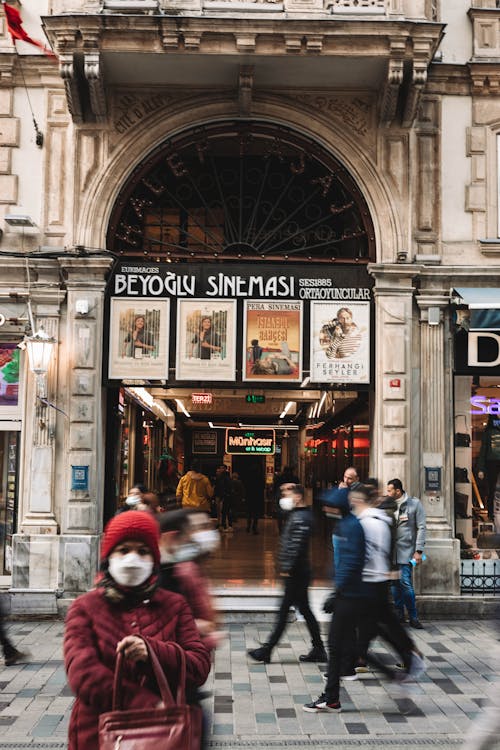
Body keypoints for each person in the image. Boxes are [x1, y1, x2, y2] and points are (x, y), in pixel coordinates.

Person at [63, 510, 211, 750]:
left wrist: (153, 651)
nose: (133, 558)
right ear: (109, 556)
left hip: (163, 737)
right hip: (98, 735)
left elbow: (198, 666)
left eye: (143, 551)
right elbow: (83, 674)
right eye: (124, 550)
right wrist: (147, 705)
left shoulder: (174, 605)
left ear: (154, 559)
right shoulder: (85, 608)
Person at [349, 483, 426, 682]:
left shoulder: (378, 517)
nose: (387, 493)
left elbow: (419, 528)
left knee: (377, 622)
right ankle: (407, 654)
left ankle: (403, 656)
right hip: (380, 576)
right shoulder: (377, 516)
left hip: (384, 572)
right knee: (377, 623)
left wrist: (418, 552)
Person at [303, 484, 365, 713]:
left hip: (348, 596)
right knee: (340, 644)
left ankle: (331, 697)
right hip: (348, 594)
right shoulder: (344, 525)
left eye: (329, 505)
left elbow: (350, 564)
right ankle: (332, 696)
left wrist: (337, 594)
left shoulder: (349, 527)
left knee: (336, 645)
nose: (326, 508)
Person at [248, 484, 327, 665]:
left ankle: (267, 650)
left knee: (284, 612)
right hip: (298, 571)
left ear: (298, 497)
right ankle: (318, 648)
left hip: (296, 572)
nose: (284, 497)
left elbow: (296, 546)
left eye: (287, 494)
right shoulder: (298, 514)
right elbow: (279, 512)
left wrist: (286, 568)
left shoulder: (301, 518)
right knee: (305, 610)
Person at [387, 478, 426, 629]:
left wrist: (419, 551)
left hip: (408, 552)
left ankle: (413, 616)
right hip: (392, 554)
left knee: (405, 583)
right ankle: (399, 614)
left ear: (398, 491)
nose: (387, 493)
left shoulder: (414, 504)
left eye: (390, 490)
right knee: (395, 585)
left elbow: (422, 527)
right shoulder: (388, 505)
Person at [477, 415, 500, 521]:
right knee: (491, 489)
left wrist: (481, 468)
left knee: (491, 489)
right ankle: (491, 514)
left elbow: (483, 451)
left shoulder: (487, 433)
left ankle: (491, 514)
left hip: (491, 463)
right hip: (491, 463)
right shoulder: (489, 433)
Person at [214, 465, 233, 532]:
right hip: (223, 496)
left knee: (224, 511)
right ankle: (223, 525)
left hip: (223, 497)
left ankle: (225, 525)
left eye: (222, 468)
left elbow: (222, 487)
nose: (220, 469)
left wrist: (224, 494)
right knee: (223, 512)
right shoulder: (224, 477)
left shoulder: (223, 478)